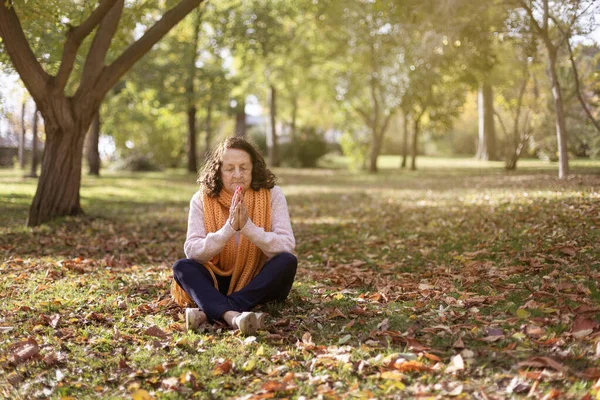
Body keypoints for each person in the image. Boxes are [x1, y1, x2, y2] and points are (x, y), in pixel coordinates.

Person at [171, 136, 297, 335]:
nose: (237, 174)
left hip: (259, 282)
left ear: (253, 168)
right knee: (182, 267)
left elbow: (287, 245)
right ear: (219, 171)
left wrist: (247, 227)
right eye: (230, 168)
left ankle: (209, 312)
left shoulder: (273, 194)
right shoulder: (201, 199)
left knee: (287, 261)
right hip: (217, 280)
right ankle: (233, 317)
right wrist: (229, 228)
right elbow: (193, 251)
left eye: (244, 167)